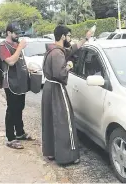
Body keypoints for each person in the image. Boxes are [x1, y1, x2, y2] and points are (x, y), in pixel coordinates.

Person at [41, 25, 92, 165]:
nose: (69, 38)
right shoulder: (57, 53)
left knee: (51, 120)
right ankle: (67, 157)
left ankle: (51, 152)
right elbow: (61, 73)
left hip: (48, 88)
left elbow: (71, 49)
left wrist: (85, 39)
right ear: (63, 36)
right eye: (68, 35)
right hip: (57, 88)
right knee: (64, 121)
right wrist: (69, 65)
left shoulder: (53, 49)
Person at [0, 22, 35, 149]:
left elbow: (19, 62)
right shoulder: (3, 46)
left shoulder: (17, 44)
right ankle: (10, 138)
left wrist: (28, 69)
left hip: (21, 81)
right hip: (10, 82)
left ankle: (20, 132)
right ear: (8, 33)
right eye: (15, 33)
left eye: (19, 33)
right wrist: (20, 48)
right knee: (12, 109)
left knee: (20, 107)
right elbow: (11, 62)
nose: (18, 36)